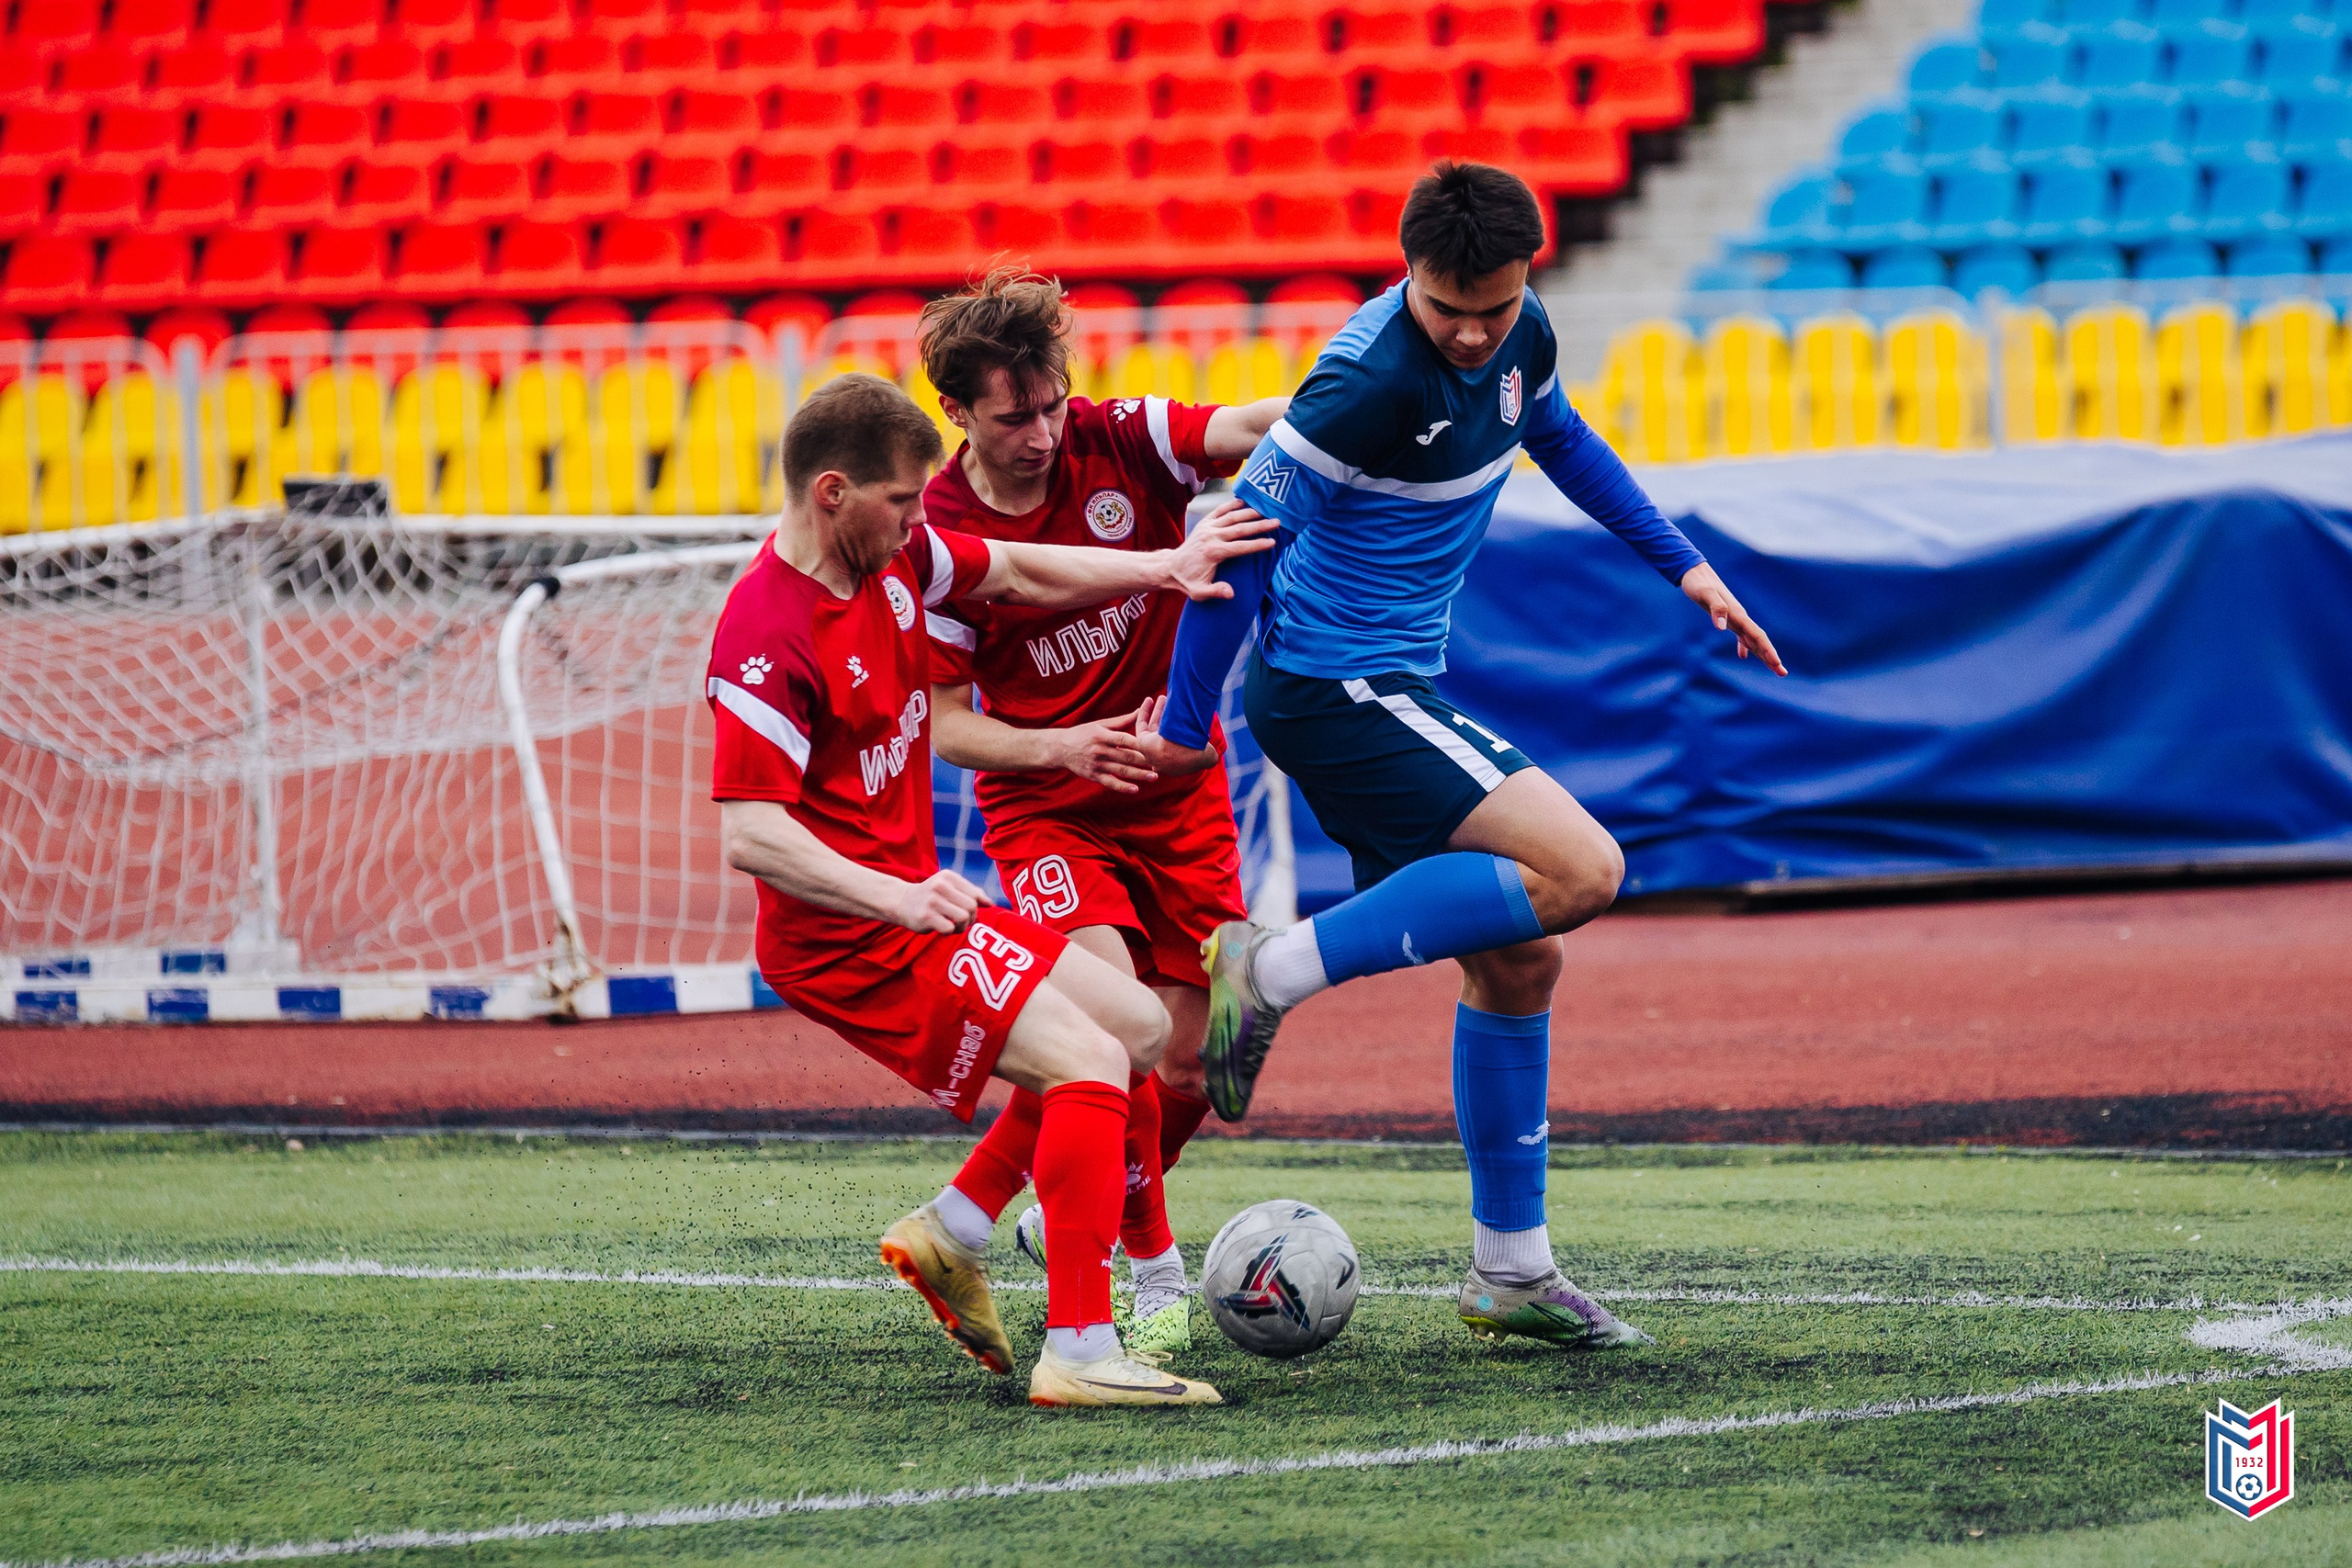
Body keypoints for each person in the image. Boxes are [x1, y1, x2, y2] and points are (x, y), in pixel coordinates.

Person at [1144, 163, 1787, 1351]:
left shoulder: (1519, 333)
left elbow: (1561, 434)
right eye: (1451, 310)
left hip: (1391, 684)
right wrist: (1187, 728)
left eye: (1496, 305)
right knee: (1584, 869)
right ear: (1408, 274)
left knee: (1518, 964)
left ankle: (1511, 1271)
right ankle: (1269, 969)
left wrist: (1684, 563)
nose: (1476, 331)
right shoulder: (1361, 380)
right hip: (1334, 687)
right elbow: (1230, 545)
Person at [705, 372, 1272, 1406]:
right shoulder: (763, 631)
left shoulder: (891, 558)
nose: (925, 520)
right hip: (852, 938)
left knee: (1140, 1027)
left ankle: (958, 1227)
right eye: (905, 501)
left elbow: (1009, 566)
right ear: (833, 493)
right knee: (1093, 1063)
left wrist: (1167, 563)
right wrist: (896, 898)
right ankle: (1084, 1351)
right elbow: (751, 835)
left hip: (915, 901)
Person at [910, 268, 1289, 1358]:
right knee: (1111, 1025)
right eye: (1012, 416)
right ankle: (1153, 1275)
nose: (1040, 431)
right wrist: (1059, 746)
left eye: (1052, 404)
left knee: (1206, 1062)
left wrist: (1353, 403)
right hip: (1045, 810)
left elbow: (1249, 421)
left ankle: (976, 1217)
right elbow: (939, 721)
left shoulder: (1120, 438)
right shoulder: (937, 533)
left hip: (1179, 796)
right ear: (957, 415)